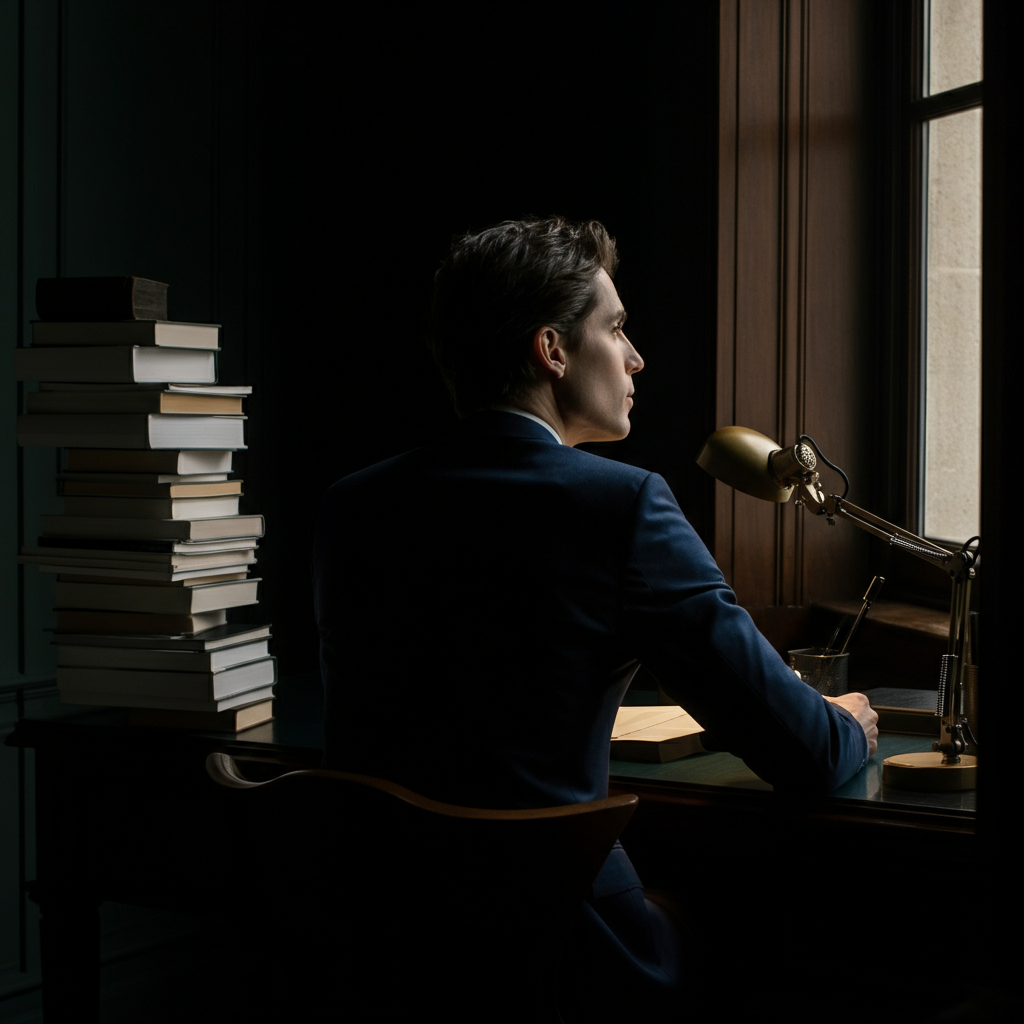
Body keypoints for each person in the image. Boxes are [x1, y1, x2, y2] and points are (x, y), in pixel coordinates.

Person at [310, 216, 878, 1020]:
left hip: (384, 956)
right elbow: (807, 751)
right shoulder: (624, 503)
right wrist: (848, 718)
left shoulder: (351, 507)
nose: (636, 356)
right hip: (561, 953)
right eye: (614, 328)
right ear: (552, 351)